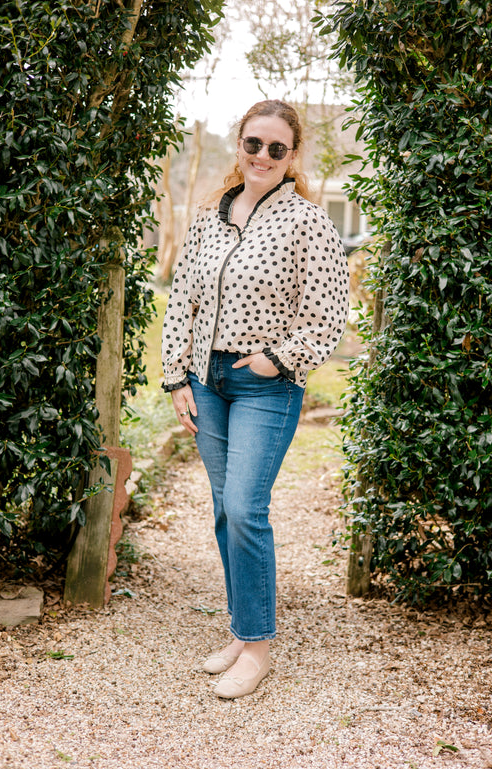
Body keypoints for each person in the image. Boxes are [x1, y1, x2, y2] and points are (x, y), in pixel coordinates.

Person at [162, 99, 349, 699]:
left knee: (245, 507)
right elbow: (182, 303)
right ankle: (242, 632)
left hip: (265, 384)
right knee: (223, 509)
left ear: (292, 158)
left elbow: (327, 317)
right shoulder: (210, 217)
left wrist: (277, 358)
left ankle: (259, 648)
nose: (262, 156)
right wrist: (175, 379)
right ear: (237, 147)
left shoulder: (308, 223)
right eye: (253, 144)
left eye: (276, 148)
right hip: (205, 382)